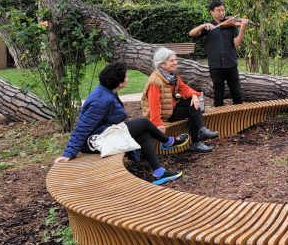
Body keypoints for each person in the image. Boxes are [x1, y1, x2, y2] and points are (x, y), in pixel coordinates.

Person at [54, 62, 188, 186]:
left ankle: (159, 173)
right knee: (143, 123)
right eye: (126, 76)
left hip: (105, 133)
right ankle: (168, 142)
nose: (128, 78)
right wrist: (68, 153)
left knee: (144, 133)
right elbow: (82, 128)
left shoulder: (107, 91)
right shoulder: (100, 101)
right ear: (119, 82)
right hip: (94, 141)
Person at [142, 48, 218, 153]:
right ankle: (198, 139)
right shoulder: (155, 82)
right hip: (163, 114)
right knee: (193, 111)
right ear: (162, 64)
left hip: (171, 107)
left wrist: (194, 96)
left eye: (175, 60)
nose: (175, 62)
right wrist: (158, 124)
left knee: (193, 104)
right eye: (172, 61)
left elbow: (184, 88)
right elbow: (154, 106)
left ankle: (202, 131)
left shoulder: (172, 76)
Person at [189, 0, 249, 107]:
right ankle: (220, 121)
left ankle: (241, 121)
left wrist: (242, 29)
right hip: (215, 66)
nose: (222, 13)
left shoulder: (231, 25)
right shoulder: (208, 27)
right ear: (212, 12)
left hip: (231, 64)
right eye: (218, 10)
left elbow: (237, 43)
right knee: (218, 96)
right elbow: (191, 34)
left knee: (237, 95)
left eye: (223, 10)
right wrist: (202, 26)